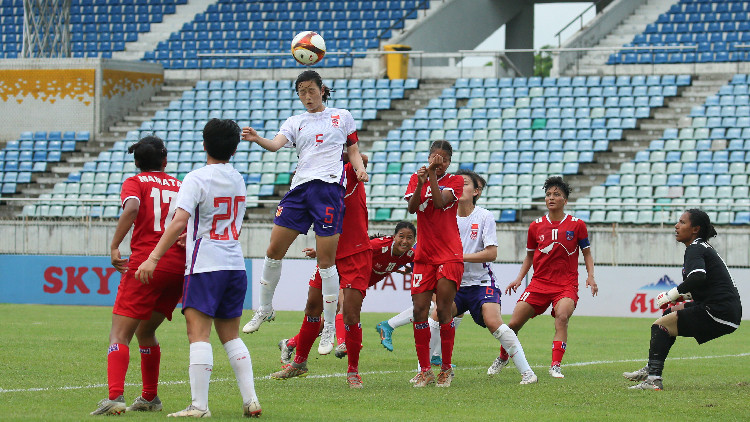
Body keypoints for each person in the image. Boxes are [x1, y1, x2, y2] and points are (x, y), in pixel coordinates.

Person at [135, 119, 261, 418]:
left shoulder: (196, 177)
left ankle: (199, 405)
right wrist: (191, 232)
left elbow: (179, 219)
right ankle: (251, 400)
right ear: (234, 147)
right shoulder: (238, 179)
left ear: (204, 144)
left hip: (205, 266)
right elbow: (224, 222)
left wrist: (153, 257)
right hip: (234, 263)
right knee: (231, 335)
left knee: (198, 333)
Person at [241, 70, 368, 355]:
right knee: (273, 249)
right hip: (299, 190)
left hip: (328, 191)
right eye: (301, 92)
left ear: (322, 90)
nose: (306, 96)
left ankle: (329, 330)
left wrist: (358, 169)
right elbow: (275, 145)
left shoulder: (342, 115)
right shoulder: (294, 121)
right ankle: (264, 308)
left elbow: (354, 149)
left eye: (311, 90)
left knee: (326, 263)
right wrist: (258, 138)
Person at [91, 136, 185, 415]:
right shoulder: (180, 185)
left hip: (147, 264)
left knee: (119, 333)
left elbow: (131, 209)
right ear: (165, 161)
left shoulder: (135, 182)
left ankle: (114, 397)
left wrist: (114, 245)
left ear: (137, 163)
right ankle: (149, 397)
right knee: (146, 330)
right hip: (178, 267)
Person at [420, 170, 537, 385]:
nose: (459, 186)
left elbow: (491, 253)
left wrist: (457, 256)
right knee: (436, 317)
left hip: (482, 283)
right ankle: (424, 371)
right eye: (455, 183)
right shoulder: (444, 216)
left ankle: (528, 373)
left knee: (493, 322)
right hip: (454, 283)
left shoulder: (484, 216)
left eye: (464, 183)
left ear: (476, 191)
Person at [269, 154, 372, 388]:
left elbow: (362, 157)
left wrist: (334, 150)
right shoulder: (315, 182)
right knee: (312, 306)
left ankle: (353, 372)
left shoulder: (349, 169)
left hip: (356, 254)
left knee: (350, 314)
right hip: (330, 256)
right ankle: (299, 363)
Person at [624, 209, 742, 390]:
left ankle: (653, 379)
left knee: (660, 326)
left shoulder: (695, 248)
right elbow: (706, 284)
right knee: (669, 313)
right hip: (724, 309)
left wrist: (671, 294)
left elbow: (698, 277)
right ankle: (651, 367)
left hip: (718, 311)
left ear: (695, 229)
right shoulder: (701, 247)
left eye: (682, 222)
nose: (676, 226)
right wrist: (680, 296)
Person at [497, 176, 597, 379]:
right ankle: (503, 357)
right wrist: (518, 279)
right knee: (513, 324)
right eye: (548, 194)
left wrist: (591, 276)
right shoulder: (535, 226)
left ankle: (555, 365)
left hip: (565, 285)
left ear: (565, 200)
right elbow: (529, 257)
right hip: (539, 284)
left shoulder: (577, 225)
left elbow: (586, 253)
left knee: (562, 316)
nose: (551, 198)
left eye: (556, 194)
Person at [280, 221, 416, 364]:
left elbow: (420, 262)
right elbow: (350, 249)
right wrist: (320, 252)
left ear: (414, 240)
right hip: (342, 271)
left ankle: (290, 343)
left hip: (358, 282)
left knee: (329, 320)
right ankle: (342, 342)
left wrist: (407, 269)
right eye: (401, 236)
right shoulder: (378, 246)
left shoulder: (409, 255)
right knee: (343, 307)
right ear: (394, 236)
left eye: (409, 238)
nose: (405, 241)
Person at [405, 140, 464, 387]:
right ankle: (425, 370)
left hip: (449, 254)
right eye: (434, 159)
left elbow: (439, 203)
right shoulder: (416, 178)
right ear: (429, 157)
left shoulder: (456, 181)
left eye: (443, 160)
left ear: (449, 162)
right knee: (419, 309)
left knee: (442, 309)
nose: (438, 164)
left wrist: (430, 175)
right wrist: (421, 182)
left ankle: (446, 369)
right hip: (424, 255)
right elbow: (411, 208)